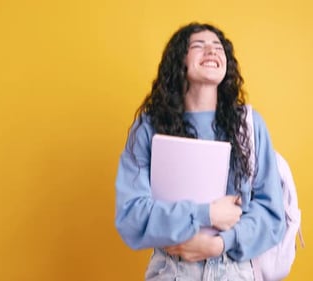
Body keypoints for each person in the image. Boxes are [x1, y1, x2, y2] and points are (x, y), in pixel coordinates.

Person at [115, 22, 286, 280]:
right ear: (179, 61)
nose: (211, 51)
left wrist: (221, 243)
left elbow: (272, 215)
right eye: (198, 45)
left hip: (234, 270)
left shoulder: (250, 125)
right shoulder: (149, 127)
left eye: (218, 47)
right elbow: (131, 217)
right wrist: (206, 213)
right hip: (171, 270)